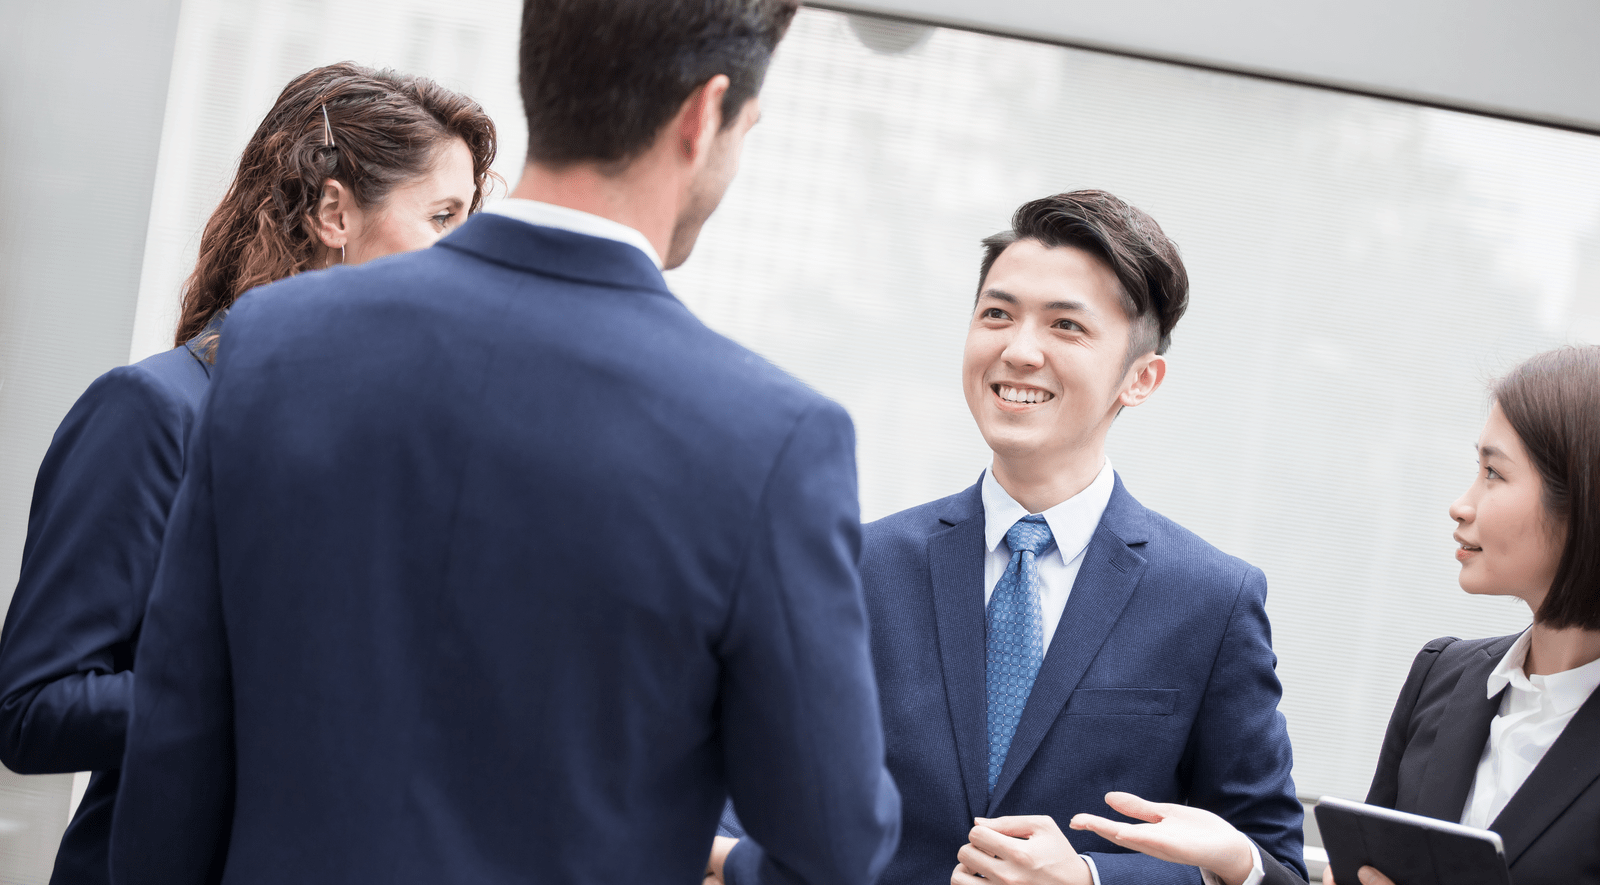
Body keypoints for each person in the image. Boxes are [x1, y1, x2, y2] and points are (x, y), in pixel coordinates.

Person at [108, 2, 900, 884]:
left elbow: (176, 744)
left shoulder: (276, 343)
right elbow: (833, 846)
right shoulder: (774, 436)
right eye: (746, 130)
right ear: (704, 113)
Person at [0, 62, 495, 885]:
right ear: (336, 211)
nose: (465, 254)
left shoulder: (385, 445)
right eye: (442, 217)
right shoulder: (153, 409)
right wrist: (281, 683)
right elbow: (33, 707)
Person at [717, 190, 1303, 885]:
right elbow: (739, 801)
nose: (1019, 350)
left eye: (1065, 326)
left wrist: (1092, 878)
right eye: (997, 314)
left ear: (1140, 378)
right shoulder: (858, 565)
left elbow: (1272, 866)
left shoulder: (1212, 599)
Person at [1070, 345, 1600, 885]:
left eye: (1493, 473)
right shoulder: (1444, 678)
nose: (1461, 504)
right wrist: (1241, 861)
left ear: (1582, 497)